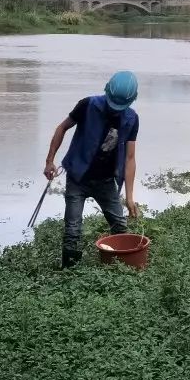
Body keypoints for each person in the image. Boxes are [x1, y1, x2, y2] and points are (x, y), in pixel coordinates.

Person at [43, 71, 140, 268]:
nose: (115, 110)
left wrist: (129, 197)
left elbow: (130, 158)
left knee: (120, 227)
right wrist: (49, 160)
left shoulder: (131, 119)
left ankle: (120, 270)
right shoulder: (87, 105)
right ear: (106, 92)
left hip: (105, 182)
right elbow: (62, 128)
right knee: (72, 230)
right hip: (78, 178)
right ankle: (69, 276)